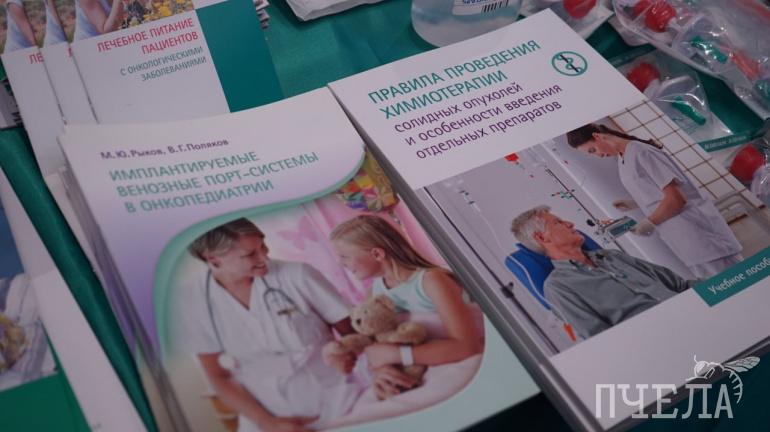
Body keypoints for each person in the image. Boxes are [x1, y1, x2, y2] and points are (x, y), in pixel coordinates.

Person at [182, 218, 363, 432]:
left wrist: (346, 353)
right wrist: (265, 422)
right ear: (213, 258)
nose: (264, 258)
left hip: (338, 404)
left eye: (263, 246)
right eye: (250, 254)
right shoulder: (193, 301)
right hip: (263, 419)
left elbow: (356, 334)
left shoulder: (297, 275)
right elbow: (218, 375)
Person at [329, 215, 483, 400]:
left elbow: (468, 347)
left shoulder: (431, 281)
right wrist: (382, 370)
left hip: (457, 363)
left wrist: (399, 355)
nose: (341, 264)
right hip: (418, 369)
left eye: (344, 256)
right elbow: (377, 347)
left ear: (377, 254)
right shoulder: (375, 293)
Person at [567, 123, 742, 278]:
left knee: (736, 283)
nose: (597, 155)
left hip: (699, 233)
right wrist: (635, 203)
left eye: (593, 150)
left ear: (597, 136)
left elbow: (677, 198)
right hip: (683, 239)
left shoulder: (641, 151)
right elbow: (657, 190)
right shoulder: (622, 158)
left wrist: (649, 222)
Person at [511, 206, 694, 339]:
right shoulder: (558, 287)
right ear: (542, 237)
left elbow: (681, 285)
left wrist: (712, 290)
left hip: (692, 314)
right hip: (661, 339)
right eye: (558, 222)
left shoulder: (613, 256)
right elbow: (603, 340)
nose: (570, 223)